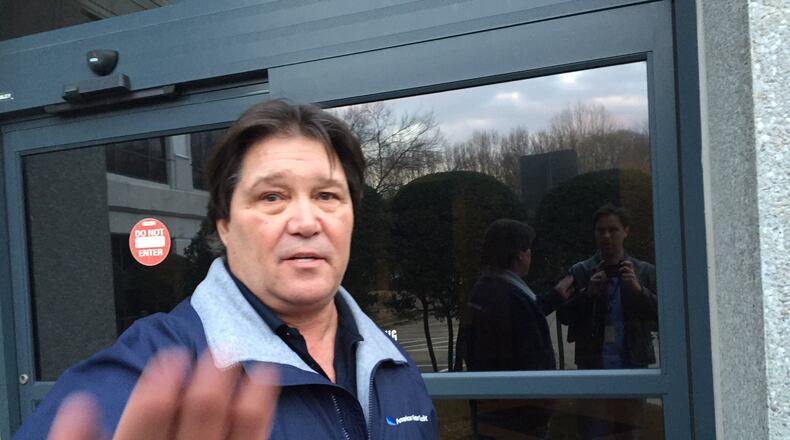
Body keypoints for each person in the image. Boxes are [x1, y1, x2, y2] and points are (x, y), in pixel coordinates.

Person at [14, 100, 437, 440]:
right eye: (272, 197)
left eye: (327, 195)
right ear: (225, 226)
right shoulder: (151, 369)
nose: (306, 222)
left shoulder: (393, 364)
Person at [458, 219, 573, 439]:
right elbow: (532, 358)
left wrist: (555, 297)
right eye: (529, 249)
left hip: (489, 410)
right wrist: (542, 411)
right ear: (520, 254)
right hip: (518, 419)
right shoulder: (511, 297)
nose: (530, 255)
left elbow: (513, 321)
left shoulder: (484, 289)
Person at [556, 204, 657, 439]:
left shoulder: (644, 272)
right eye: (600, 230)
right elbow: (563, 316)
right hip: (593, 367)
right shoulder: (581, 272)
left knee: (629, 434)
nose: (607, 236)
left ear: (626, 231)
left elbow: (664, 315)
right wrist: (588, 293)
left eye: (613, 230)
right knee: (593, 433)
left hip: (633, 366)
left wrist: (638, 290)